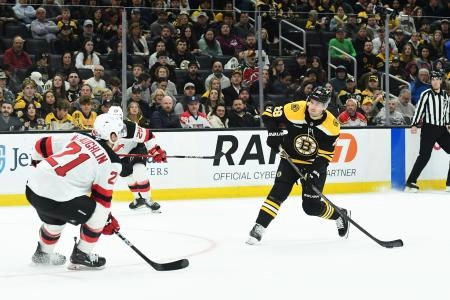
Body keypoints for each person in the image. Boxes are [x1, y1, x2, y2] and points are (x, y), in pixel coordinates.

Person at [247, 87, 350, 245]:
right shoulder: (295, 109)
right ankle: (259, 226)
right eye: (312, 102)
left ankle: (339, 214)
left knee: (310, 208)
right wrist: (273, 133)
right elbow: (268, 114)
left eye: (319, 104)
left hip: (312, 164)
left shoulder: (332, 126)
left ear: (325, 106)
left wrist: (314, 172)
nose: (313, 106)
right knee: (278, 193)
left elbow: (325, 156)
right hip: (290, 159)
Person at [26, 113, 125, 269]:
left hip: (32, 188)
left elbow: (41, 145)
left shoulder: (78, 136)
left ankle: (43, 254)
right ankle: (82, 254)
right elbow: (102, 200)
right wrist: (106, 220)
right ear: (112, 135)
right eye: (119, 133)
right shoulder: (113, 162)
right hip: (55, 196)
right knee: (99, 214)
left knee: (55, 217)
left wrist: (38, 164)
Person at [107, 106, 166, 212]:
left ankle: (148, 199)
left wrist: (155, 151)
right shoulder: (101, 130)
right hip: (119, 156)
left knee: (139, 172)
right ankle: (138, 199)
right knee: (127, 178)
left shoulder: (130, 128)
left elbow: (149, 136)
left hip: (135, 150)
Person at [405, 71, 450, 192]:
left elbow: (446, 111)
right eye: (433, 79)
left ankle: (449, 184)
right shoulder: (426, 94)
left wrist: (447, 123)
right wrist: (414, 124)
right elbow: (419, 109)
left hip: (442, 129)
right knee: (424, 156)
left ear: (441, 81)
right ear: (431, 81)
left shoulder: (446, 95)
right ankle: (410, 182)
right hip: (429, 128)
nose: (435, 81)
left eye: (437, 79)